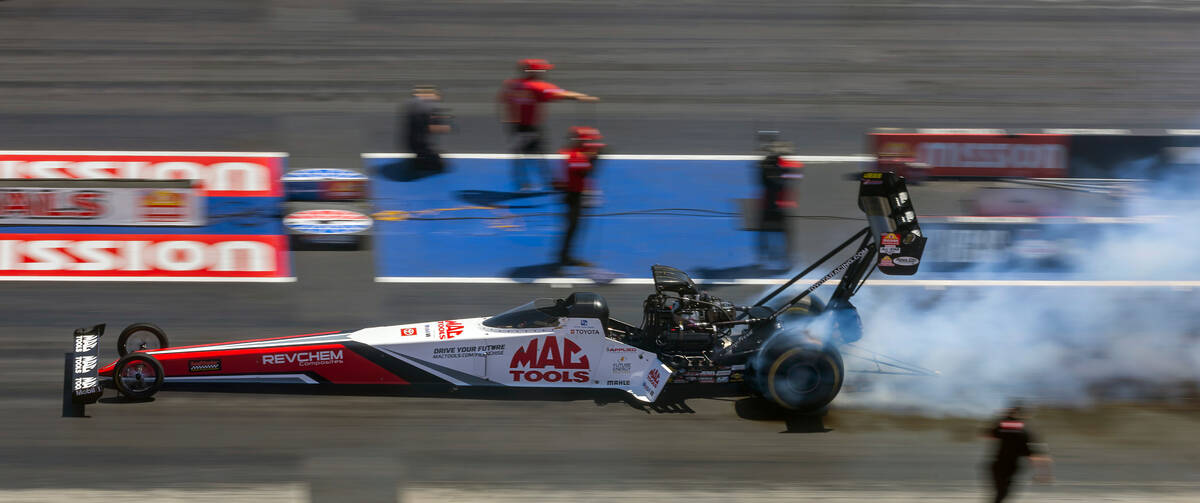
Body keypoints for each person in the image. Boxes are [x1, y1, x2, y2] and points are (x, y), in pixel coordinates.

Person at [499, 59, 597, 191]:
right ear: (534, 72)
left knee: (520, 154)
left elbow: (503, 100)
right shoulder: (537, 86)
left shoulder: (511, 85)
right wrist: (581, 96)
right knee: (539, 154)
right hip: (530, 127)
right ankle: (547, 182)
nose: (544, 72)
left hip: (514, 126)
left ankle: (522, 182)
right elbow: (561, 94)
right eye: (542, 70)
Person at [984, 405, 1054, 502]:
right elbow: (1036, 454)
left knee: (1001, 494)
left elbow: (988, 434)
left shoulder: (1006, 427)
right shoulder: (1024, 431)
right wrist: (1043, 473)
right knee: (1002, 494)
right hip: (1008, 467)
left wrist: (1002, 418)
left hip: (1000, 466)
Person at [556, 126, 604, 267]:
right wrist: (595, 158)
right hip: (573, 195)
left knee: (574, 227)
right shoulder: (576, 156)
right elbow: (586, 172)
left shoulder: (575, 153)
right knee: (572, 227)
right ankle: (565, 257)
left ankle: (566, 255)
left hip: (577, 193)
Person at [755, 139, 802, 269]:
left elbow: (795, 176)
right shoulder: (765, 165)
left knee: (781, 233)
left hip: (778, 205)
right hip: (771, 205)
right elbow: (765, 181)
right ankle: (765, 257)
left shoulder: (781, 165)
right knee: (767, 232)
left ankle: (784, 257)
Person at [401, 85, 451, 172]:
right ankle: (421, 162)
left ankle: (422, 157)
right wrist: (444, 127)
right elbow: (430, 128)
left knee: (431, 155)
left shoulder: (415, 105)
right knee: (440, 166)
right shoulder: (427, 109)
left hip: (410, 142)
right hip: (419, 144)